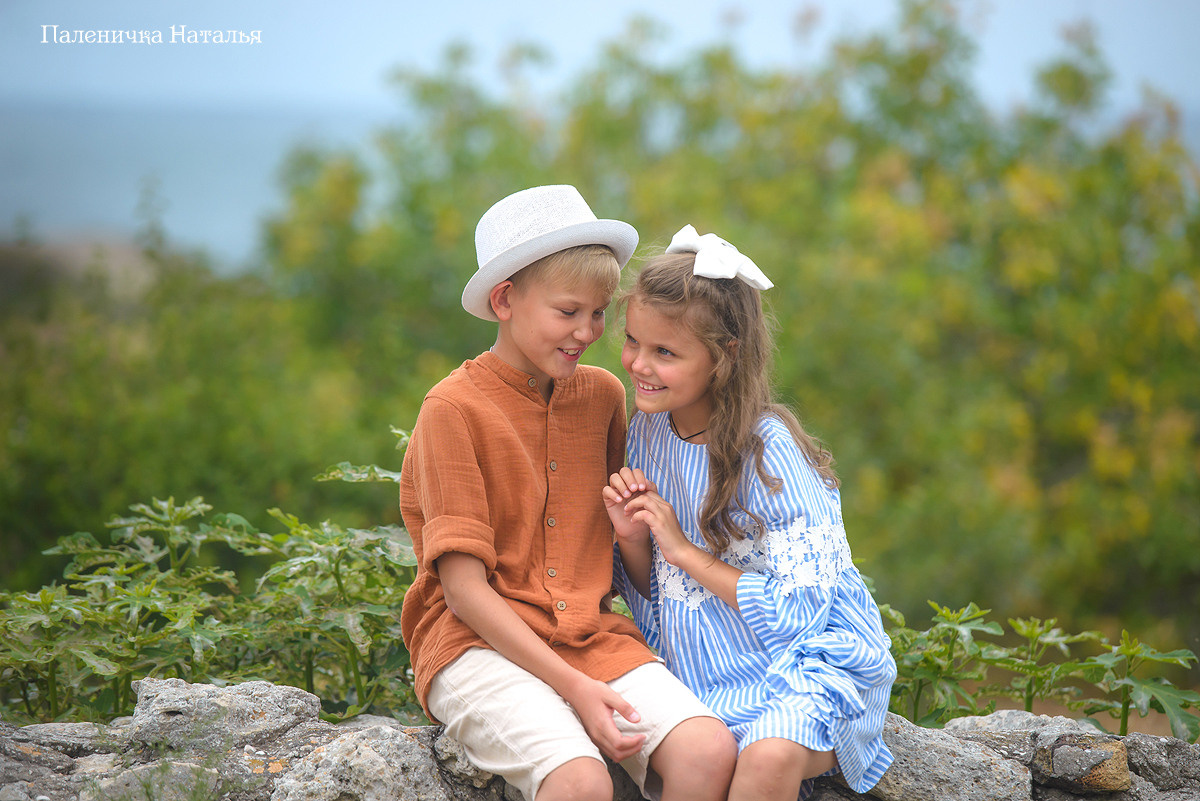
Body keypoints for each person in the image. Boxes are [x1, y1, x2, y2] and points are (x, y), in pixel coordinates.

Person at [399, 187, 737, 801]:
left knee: (708, 750)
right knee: (580, 780)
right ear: (505, 300)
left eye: (599, 313)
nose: (586, 331)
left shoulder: (603, 396)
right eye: (567, 311)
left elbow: (623, 569)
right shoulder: (452, 408)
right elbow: (463, 591)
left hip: (589, 635)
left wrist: (633, 537)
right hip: (474, 644)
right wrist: (576, 691)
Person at [604, 225, 897, 801]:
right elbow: (655, 599)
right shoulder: (645, 434)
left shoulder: (767, 453)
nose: (638, 363)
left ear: (725, 356)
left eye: (665, 352)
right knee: (701, 753)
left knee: (768, 756)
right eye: (634, 341)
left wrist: (682, 550)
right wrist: (634, 539)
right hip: (708, 666)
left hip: (808, 662)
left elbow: (802, 612)